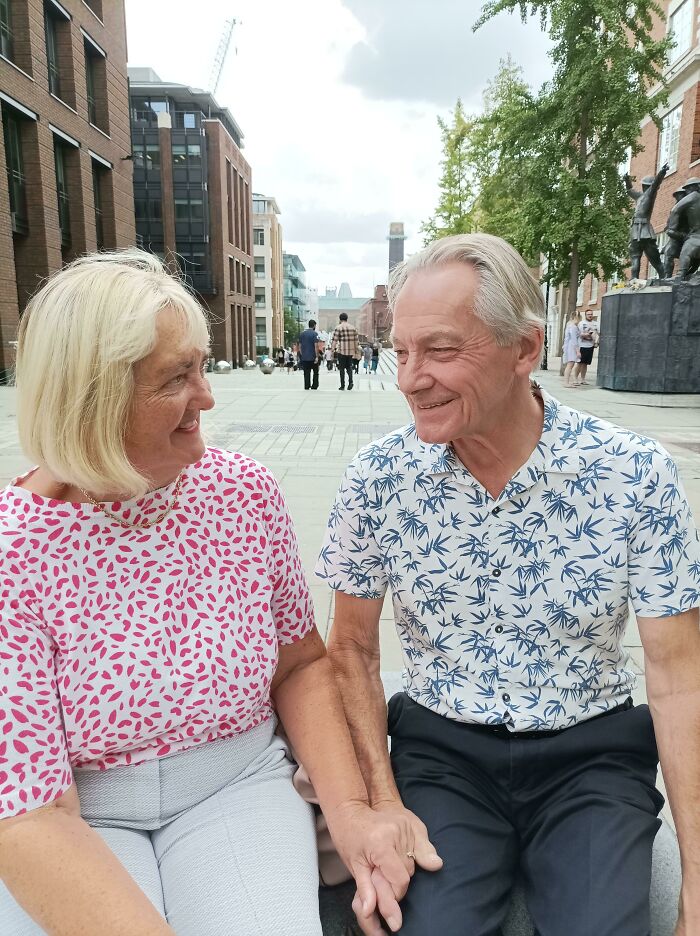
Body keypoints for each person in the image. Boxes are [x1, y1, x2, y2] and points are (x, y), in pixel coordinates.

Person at [0, 250, 422, 936]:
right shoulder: (12, 552)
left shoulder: (242, 493)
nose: (207, 396)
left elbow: (300, 664)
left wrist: (353, 816)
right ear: (93, 398)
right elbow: (30, 814)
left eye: (202, 367)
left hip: (236, 783)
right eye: (177, 378)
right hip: (78, 815)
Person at [316, 233, 700, 936]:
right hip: (442, 757)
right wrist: (380, 800)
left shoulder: (634, 474)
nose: (408, 378)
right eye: (400, 352)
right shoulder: (379, 478)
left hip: (593, 757)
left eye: (439, 350)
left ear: (525, 350)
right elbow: (350, 654)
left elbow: (678, 676)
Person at [624, 163, 669, 280]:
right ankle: (634, 282)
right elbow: (630, 191)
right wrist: (627, 180)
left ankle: (664, 279)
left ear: (646, 186)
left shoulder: (650, 194)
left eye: (645, 185)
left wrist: (662, 173)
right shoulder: (640, 196)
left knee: (654, 261)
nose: (644, 187)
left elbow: (656, 184)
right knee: (636, 259)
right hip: (637, 231)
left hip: (643, 231)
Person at [330, 312, 360, 391]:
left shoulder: (338, 328)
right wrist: (356, 351)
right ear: (347, 319)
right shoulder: (353, 328)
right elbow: (356, 341)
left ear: (340, 319)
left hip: (342, 351)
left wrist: (332, 350)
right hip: (350, 352)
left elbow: (334, 340)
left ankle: (342, 385)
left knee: (342, 368)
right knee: (349, 367)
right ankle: (351, 382)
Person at [574, 307, 598, 385]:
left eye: (591, 314)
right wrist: (586, 334)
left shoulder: (596, 323)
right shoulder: (581, 323)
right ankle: (575, 379)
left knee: (585, 364)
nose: (590, 316)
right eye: (588, 314)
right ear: (585, 315)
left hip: (590, 346)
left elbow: (600, 333)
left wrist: (597, 342)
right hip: (582, 346)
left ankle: (583, 379)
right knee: (580, 363)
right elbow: (579, 334)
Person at [299, 319, 321, 390]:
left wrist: (302, 354)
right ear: (314, 325)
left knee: (306, 372)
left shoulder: (302, 334)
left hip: (305, 357)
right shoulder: (315, 334)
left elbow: (300, 346)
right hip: (313, 357)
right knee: (315, 372)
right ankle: (314, 385)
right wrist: (317, 356)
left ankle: (307, 385)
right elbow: (316, 346)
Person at [561, 310, 581, 387]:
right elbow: (574, 339)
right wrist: (577, 351)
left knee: (570, 365)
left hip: (570, 346)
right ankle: (566, 382)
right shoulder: (573, 327)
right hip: (571, 347)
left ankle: (567, 382)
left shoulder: (570, 325)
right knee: (570, 365)